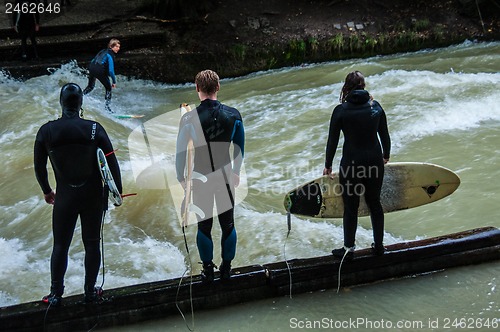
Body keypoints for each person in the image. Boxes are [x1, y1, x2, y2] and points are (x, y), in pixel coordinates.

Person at [34, 83, 122, 306]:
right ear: (81, 103)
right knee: (92, 244)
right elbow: (111, 161)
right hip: (93, 196)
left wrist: (46, 190)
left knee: (60, 246)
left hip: (65, 197)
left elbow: (39, 167)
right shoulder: (95, 129)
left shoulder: (46, 131)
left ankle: (55, 295)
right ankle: (90, 294)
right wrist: (116, 191)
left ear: (61, 103)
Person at [176, 69, 245, 282]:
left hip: (201, 176)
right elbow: (240, 147)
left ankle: (207, 270)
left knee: (204, 226)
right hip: (224, 176)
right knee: (228, 225)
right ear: (218, 87)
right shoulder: (233, 115)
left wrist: (182, 178)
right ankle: (226, 269)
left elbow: (180, 153)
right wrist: (235, 172)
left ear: (197, 89)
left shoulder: (188, 118)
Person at [323, 70, 391, 260]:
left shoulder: (341, 111)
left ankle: (348, 249)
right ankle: (379, 247)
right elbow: (384, 135)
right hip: (375, 162)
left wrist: (328, 165)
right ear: (364, 87)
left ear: (346, 88)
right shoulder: (375, 107)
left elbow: (332, 141)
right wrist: (386, 155)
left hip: (352, 165)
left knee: (351, 207)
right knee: (374, 203)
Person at [83, 38, 121, 112]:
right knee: (108, 88)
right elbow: (111, 71)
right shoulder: (110, 55)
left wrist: (93, 71)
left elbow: (93, 60)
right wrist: (114, 81)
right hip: (99, 71)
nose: (118, 49)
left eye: (119, 47)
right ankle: (107, 108)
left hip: (91, 68)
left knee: (90, 86)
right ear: (111, 46)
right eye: (116, 47)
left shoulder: (102, 51)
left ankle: (80, 97)